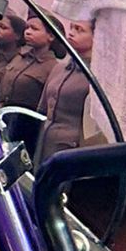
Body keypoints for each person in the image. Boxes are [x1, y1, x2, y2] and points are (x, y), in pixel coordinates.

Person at [40, 21, 97, 154]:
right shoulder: (60, 68)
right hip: (45, 143)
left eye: (79, 29)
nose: (71, 33)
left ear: (96, 37)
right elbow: (42, 108)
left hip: (73, 150)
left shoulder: (97, 77)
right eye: (71, 28)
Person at [0, 14, 59, 117]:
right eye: (27, 28)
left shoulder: (52, 68)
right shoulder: (19, 58)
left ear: (51, 36)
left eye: (34, 29)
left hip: (24, 124)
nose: (28, 32)